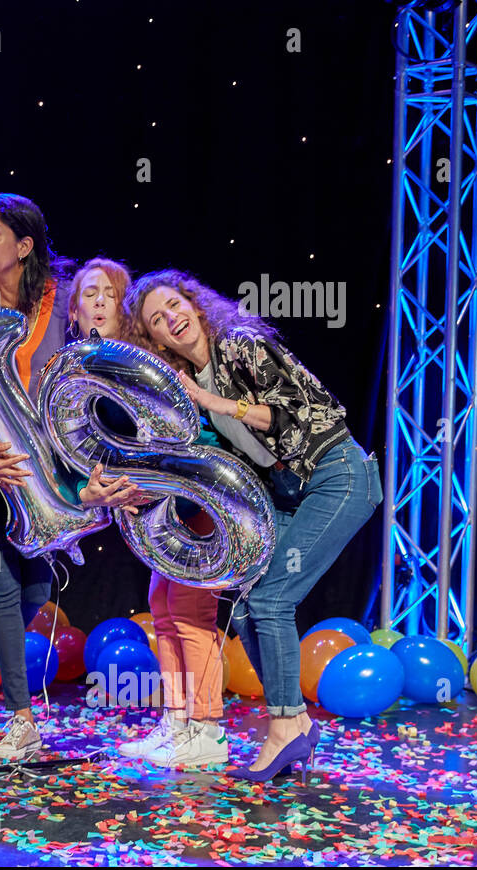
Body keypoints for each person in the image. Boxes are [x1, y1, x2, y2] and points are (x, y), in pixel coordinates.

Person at [128, 269, 382, 783]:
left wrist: (216, 404)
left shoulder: (240, 344)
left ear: (195, 305)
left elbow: (303, 413)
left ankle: (285, 724)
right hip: (290, 490)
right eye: (157, 319)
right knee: (244, 607)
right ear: (153, 337)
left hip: (337, 473)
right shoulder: (194, 383)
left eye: (175, 305)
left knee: (271, 600)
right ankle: (297, 720)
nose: (171, 319)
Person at [0, 197, 142, 760]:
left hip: (52, 479)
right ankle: (21, 720)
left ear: (25, 245)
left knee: (36, 591)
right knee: (2, 587)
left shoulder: (61, 306)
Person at [67, 258, 229, 767]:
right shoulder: (84, 369)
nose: (97, 302)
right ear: (73, 311)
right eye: (87, 294)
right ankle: (178, 721)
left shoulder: (151, 365)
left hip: (193, 503)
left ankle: (208, 729)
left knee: (192, 612)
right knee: (163, 606)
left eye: (109, 294)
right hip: (155, 514)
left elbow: (194, 437)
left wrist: (157, 474)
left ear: (127, 309)